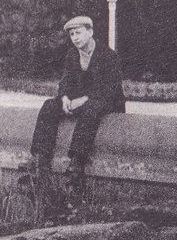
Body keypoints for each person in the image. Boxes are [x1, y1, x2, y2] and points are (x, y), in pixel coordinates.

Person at [28, 14, 126, 185]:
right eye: (72, 35)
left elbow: (110, 88)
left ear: (90, 32)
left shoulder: (108, 55)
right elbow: (66, 80)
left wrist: (85, 99)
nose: (75, 38)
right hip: (80, 100)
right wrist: (65, 97)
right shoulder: (73, 55)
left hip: (107, 101)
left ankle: (77, 162)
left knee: (91, 109)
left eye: (78, 33)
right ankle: (40, 160)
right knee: (49, 105)